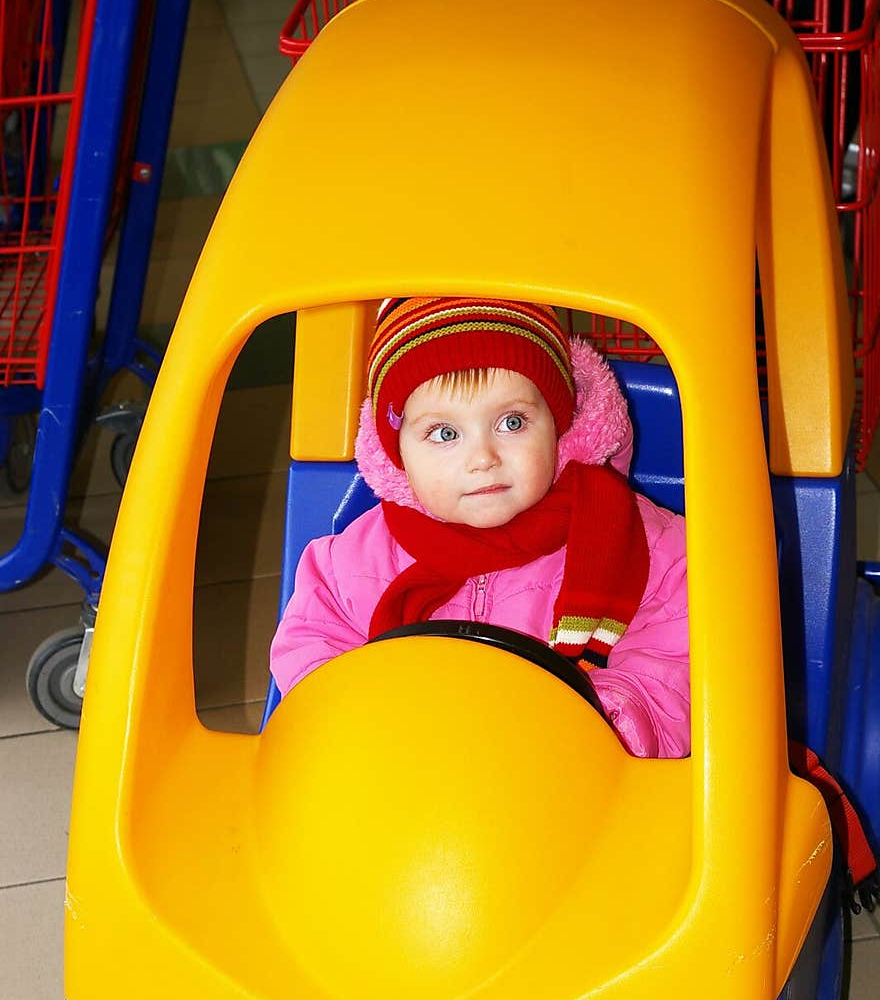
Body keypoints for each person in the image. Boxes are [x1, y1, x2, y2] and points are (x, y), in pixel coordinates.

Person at [269, 296, 690, 758]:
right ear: (397, 451)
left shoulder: (648, 547)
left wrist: (595, 727)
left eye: (512, 422)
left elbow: (680, 669)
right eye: (445, 433)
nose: (483, 459)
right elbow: (312, 651)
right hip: (406, 772)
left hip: (570, 780)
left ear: (560, 424)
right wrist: (363, 719)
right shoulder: (353, 562)